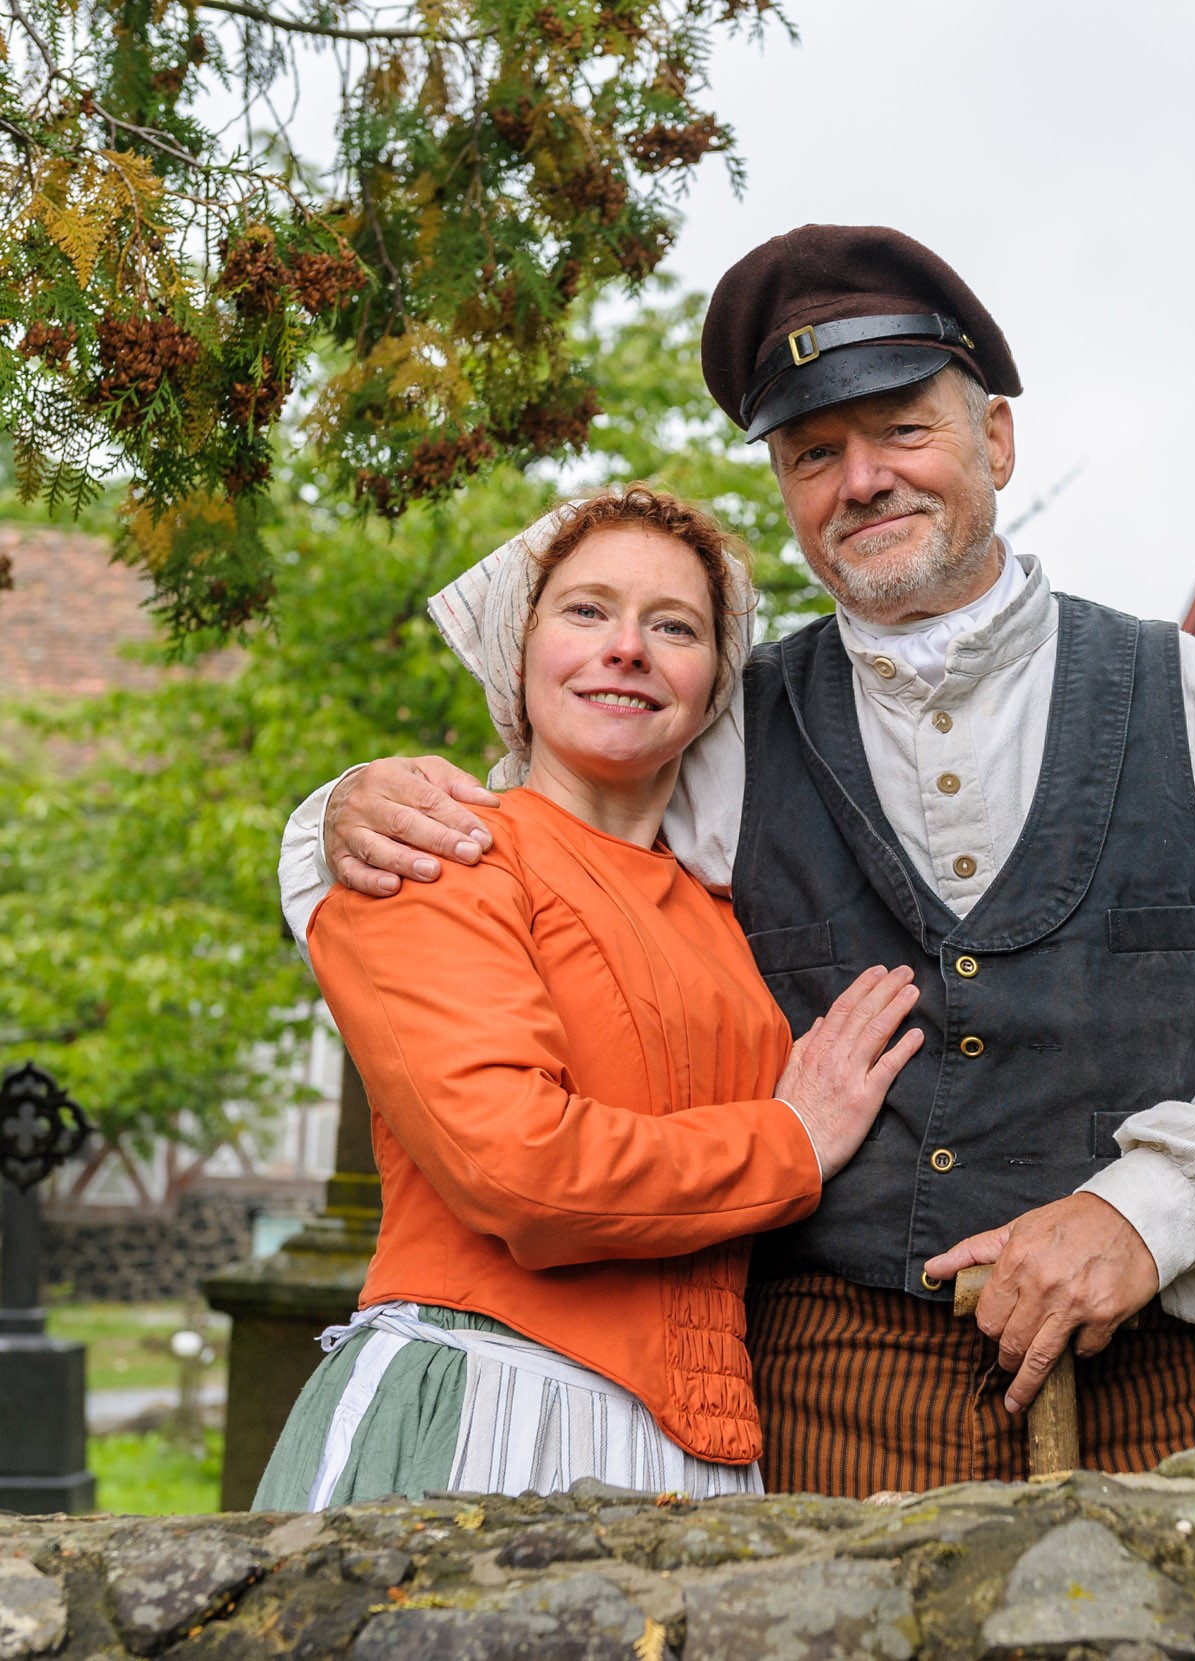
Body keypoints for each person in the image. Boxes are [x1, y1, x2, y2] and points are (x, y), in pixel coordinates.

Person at [280, 225, 1195, 1496]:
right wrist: (338, 810)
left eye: (904, 431)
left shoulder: (1185, 691)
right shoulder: (730, 713)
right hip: (823, 1391)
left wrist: (1147, 1211)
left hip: (1145, 1376)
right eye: (816, 453)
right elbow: (545, 830)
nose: (862, 479)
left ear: (998, 440)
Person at [256, 486, 922, 1509]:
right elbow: (516, 1165)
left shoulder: (729, 911)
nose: (628, 648)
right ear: (514, 654)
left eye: (675, 626)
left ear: (711, 687)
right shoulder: (440, 849)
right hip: (485, 1405)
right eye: (586, 610)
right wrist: (790, 1140)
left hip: (703, 1453)